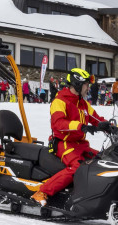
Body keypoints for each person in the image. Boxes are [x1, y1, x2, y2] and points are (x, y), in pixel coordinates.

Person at [30, 69, 108, 207]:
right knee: (78, 167)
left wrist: (111, 126)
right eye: (86, 85)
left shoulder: (83, 104)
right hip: (64, 143)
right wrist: (80, 126)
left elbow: (97, 119)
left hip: (80, 144)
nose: (88, 88)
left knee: (104, 159)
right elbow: (58, 123)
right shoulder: (60, 101)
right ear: (77, 84)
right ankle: (41, 192)